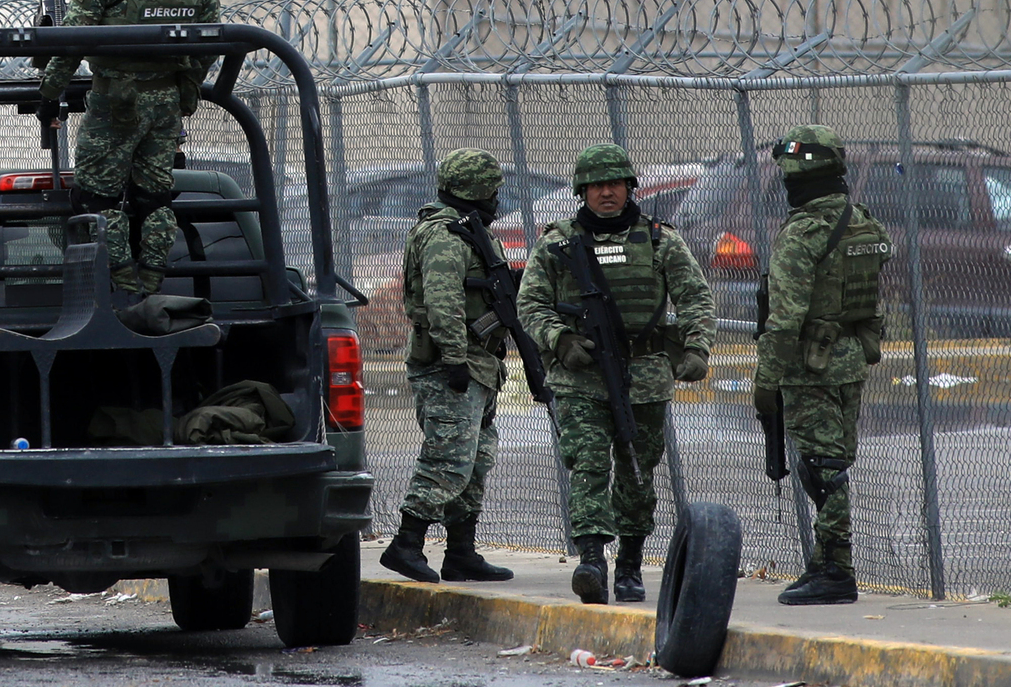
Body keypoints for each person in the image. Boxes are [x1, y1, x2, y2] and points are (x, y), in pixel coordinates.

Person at [518, 143, 716, 605]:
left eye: (615, 184)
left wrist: (696, 348)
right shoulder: (557, 243)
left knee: (637, 471)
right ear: (581, 191)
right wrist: (559, 339)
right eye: (596, 186)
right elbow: (531, 303)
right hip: (580, 378)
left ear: (629, 187)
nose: (606, 193)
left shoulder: (660, 240)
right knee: (587, 465)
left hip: (644, 376)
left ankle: (630, 563)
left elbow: (695, 297)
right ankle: (592, 560)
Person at [38, 0, 221, 295]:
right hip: (167, 103)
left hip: (114, 104)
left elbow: (70, 42)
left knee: (97, 197)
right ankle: (152, 280)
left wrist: (49, 94)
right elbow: (211, 43)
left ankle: (121, 281)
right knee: (155, 196)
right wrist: (187, 88)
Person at [755, 124, 892, 606]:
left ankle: (836, 569)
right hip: (851, 357)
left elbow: (784, 318)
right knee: (833, 462)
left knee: (822, 467)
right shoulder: (864, 222)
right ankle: (825, 560)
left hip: (809, 366)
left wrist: (766, 380)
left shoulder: (802, 233)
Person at [377, 148, 516, 585]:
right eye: (492, 190)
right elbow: (443, 304)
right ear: (478, 190)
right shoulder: (445, 235)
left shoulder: (472, 230)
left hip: (480, 363)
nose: (497, 198)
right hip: (450, 365)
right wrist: (455, 359)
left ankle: (461, 553)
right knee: (448, 458)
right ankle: (406, 544)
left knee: (475, 460)